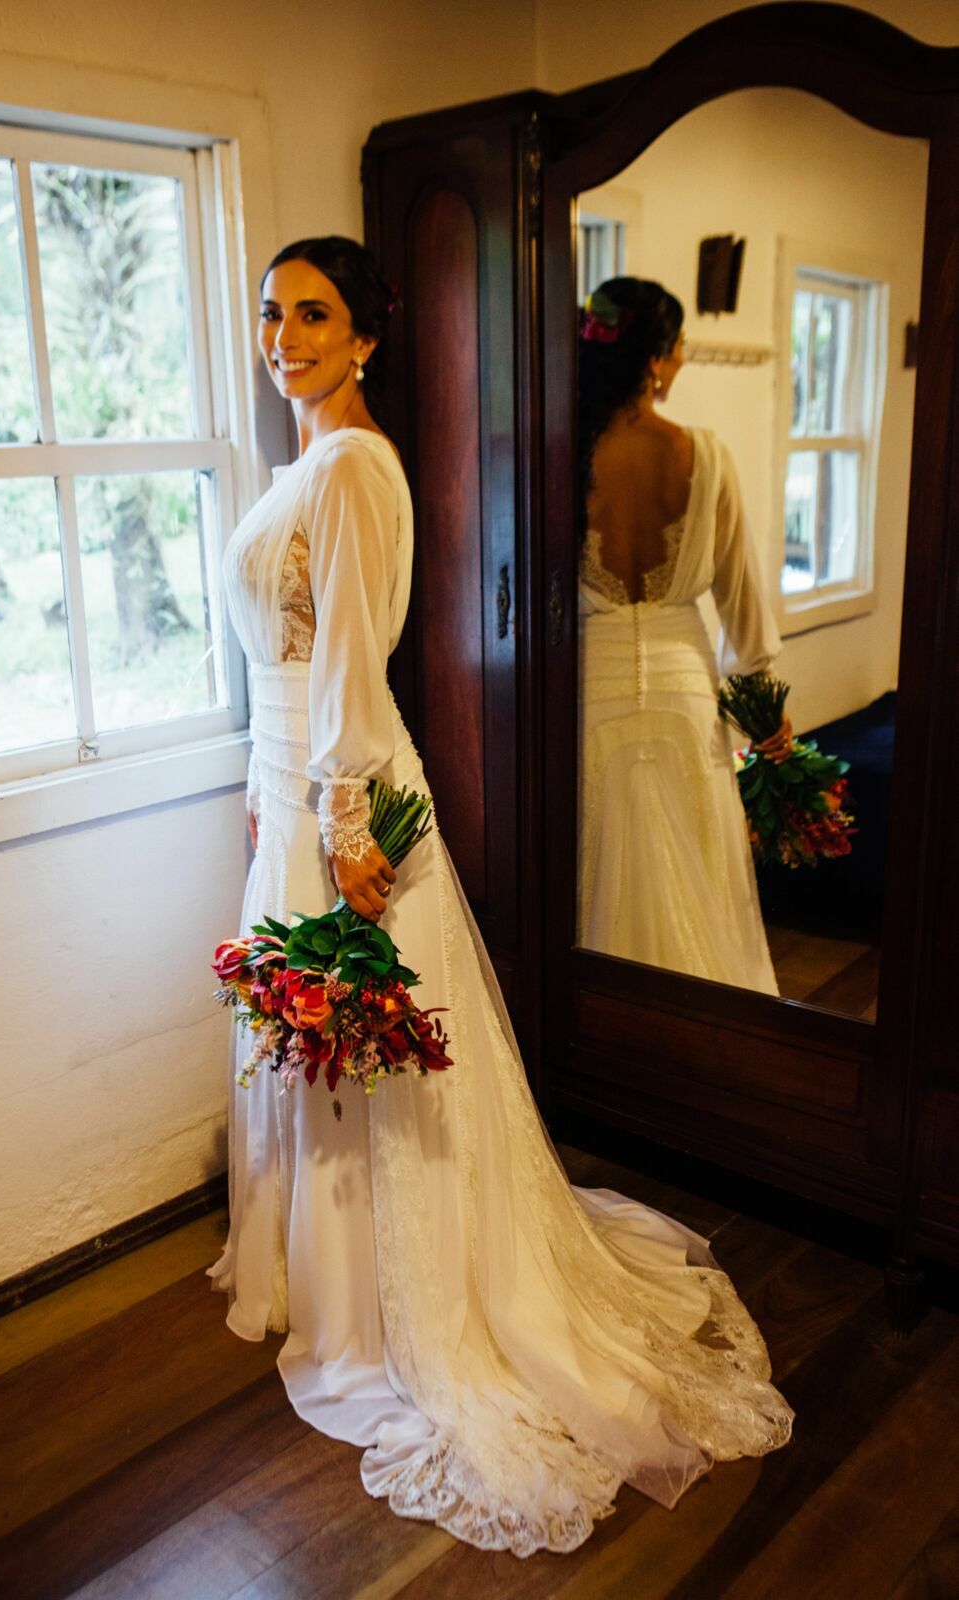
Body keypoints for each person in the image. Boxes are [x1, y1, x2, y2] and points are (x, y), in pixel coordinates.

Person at [209, 238, 792, 1557]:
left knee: (369, 1059)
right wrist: (260, 784)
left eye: (313, 315)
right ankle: (326, 1274)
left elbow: (350, 660)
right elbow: (282, 656)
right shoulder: (303, 465)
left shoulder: (354, 468)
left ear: (365, 337)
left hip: (339, 803)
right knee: (320, 1057)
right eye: (270, 313)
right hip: (286, 788)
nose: (283, 336)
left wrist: (339, 820)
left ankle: (391, 1300)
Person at [577, 278, 791, 992]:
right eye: (678, 350)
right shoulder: (705, 456)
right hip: (684, 692)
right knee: (702, 873)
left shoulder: (562, 456)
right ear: (657, 360)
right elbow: (741, 595)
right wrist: (762, 701)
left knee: (601, 879)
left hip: (591, 689)